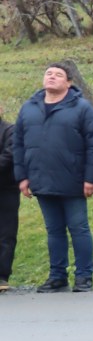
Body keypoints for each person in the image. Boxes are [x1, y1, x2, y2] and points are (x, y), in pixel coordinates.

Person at [13, 63, 93, 292]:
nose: (52, 77)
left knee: (79, 228)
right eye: (48, 73)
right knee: (53, 231)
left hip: (73, 181)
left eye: (58, 75)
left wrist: (91, 178)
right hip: (41, 180)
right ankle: (57, 276)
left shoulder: (82, 108)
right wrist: (22, 177)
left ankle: (84, 276)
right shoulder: (29, 108)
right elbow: (18, 144)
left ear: (69, 83)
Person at [0, 107, 18, 293]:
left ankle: (2, 275)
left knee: (6, 233)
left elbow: (9, 155)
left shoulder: (9, 130)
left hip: (6, 189)